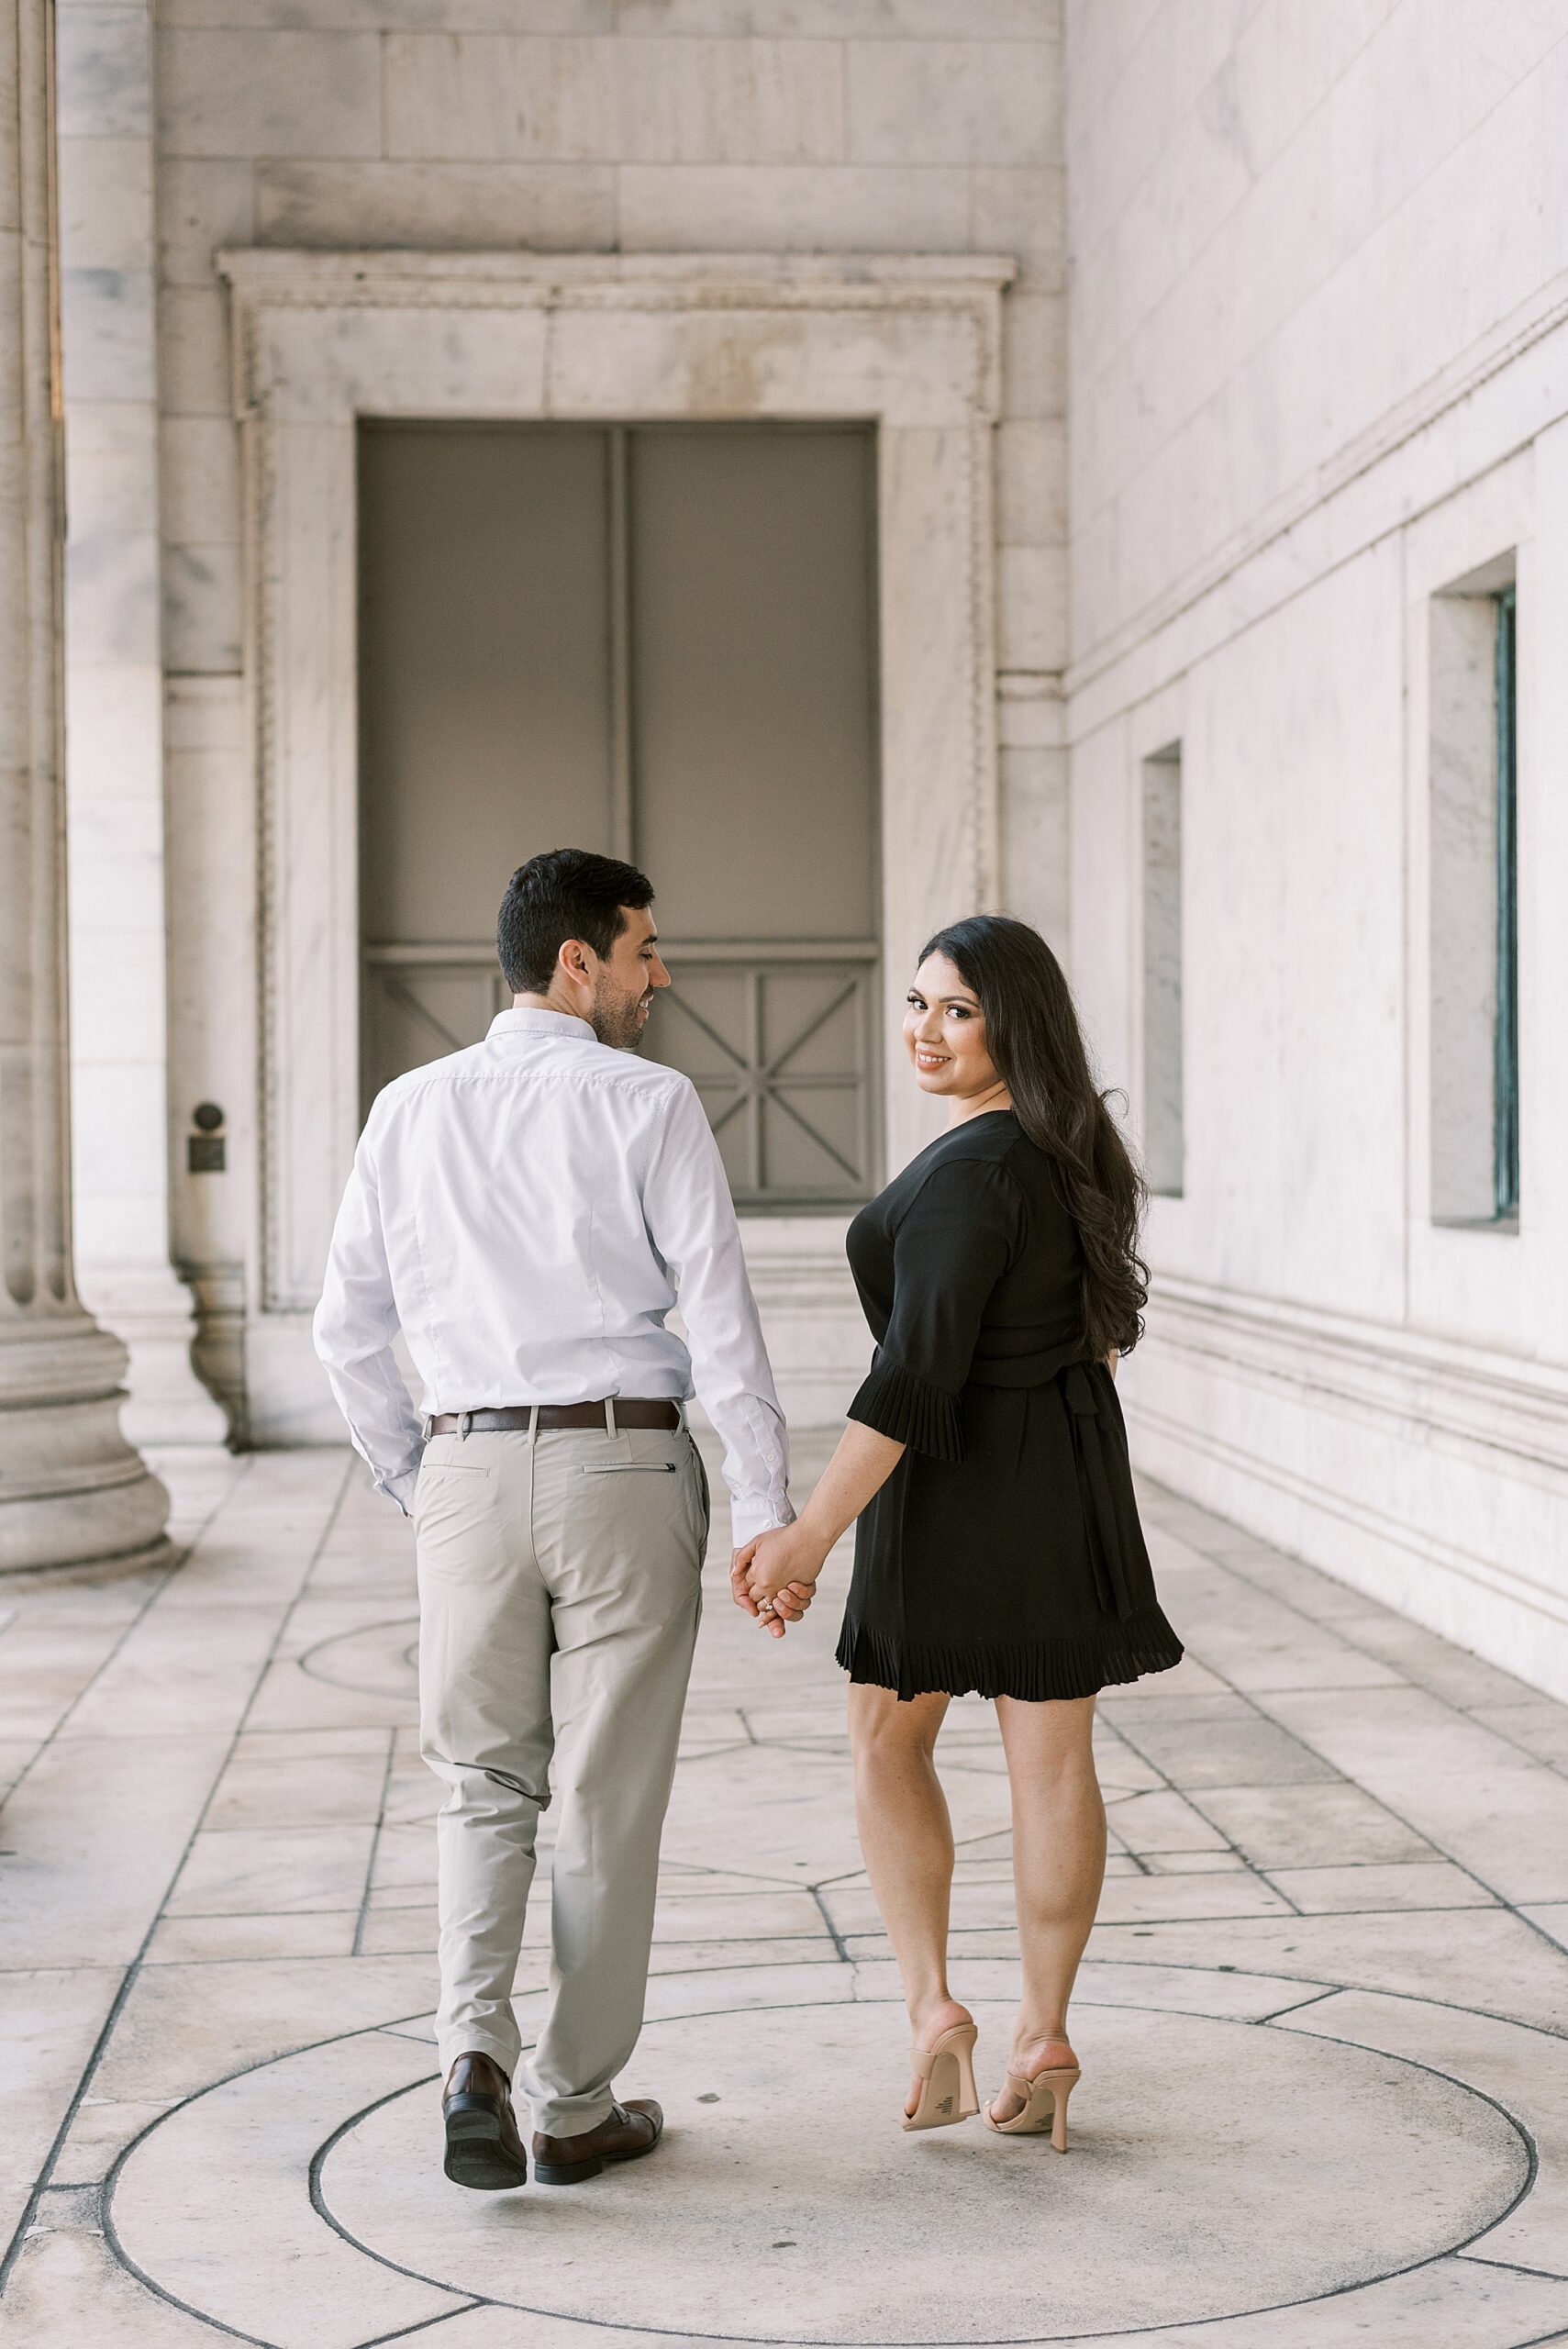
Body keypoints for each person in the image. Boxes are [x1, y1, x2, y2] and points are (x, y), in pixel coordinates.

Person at [315, 848, 791, 2193]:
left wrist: (418, 1481)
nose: (659, 976)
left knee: (480, 1783)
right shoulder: (650, 1101)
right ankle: (572, 2105)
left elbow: (344, 1329)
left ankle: (470, 2055)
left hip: (466, 1470)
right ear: (577, 963)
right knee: (603, 1796)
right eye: (643, 951)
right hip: (622, 1465)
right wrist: (764, 1507)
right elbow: (721, 1320)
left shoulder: (408, 1107)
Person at [733, 914, 1181, 2151]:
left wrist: (808, 1537)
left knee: (887, 1738)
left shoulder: (970, 1174)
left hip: (948, 1479)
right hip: (1064, 1478)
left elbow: (910, 1379)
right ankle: (1044, 2033)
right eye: (918, 1003)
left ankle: (933, 2004)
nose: (925, 1031)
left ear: (1012, 1026)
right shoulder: (1070, 1155)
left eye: (958, 1010)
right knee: (1052, 1763)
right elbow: (1093, 1341)